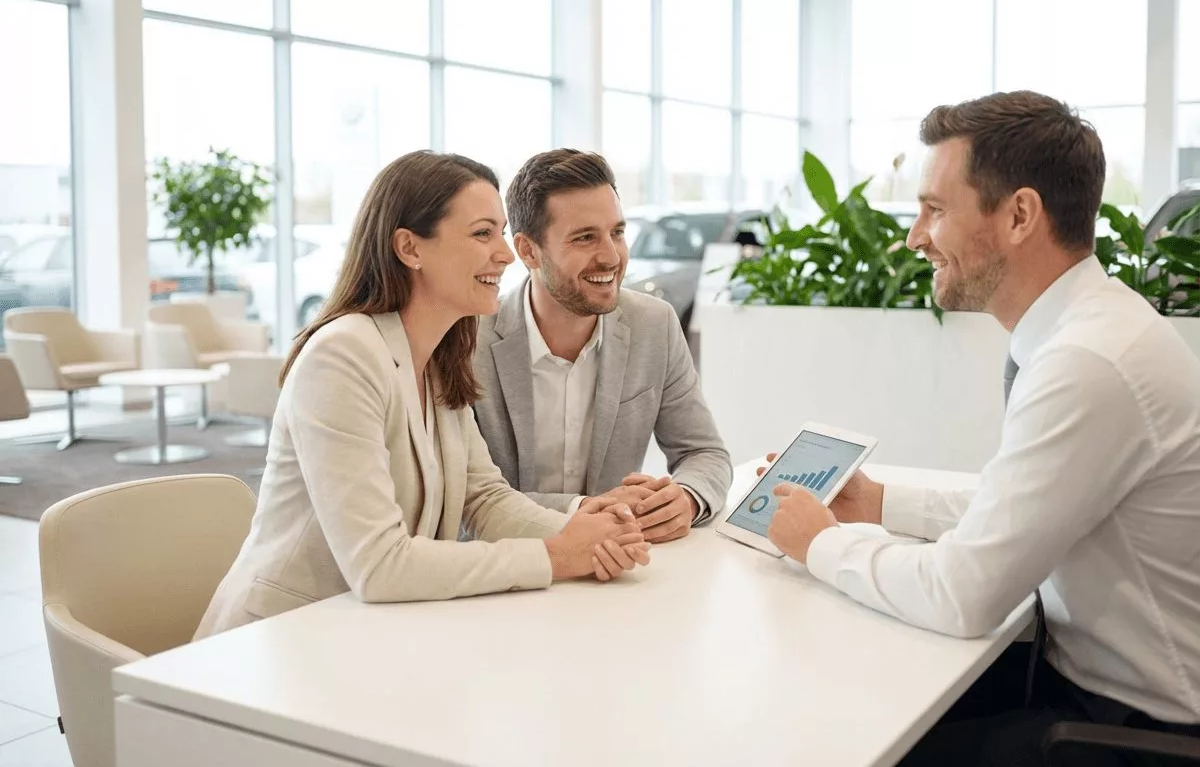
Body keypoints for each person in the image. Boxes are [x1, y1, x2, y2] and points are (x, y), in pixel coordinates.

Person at [762, 91, 1200, 765]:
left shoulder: (1089, 362)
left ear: (1020, 215)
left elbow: (961, 595)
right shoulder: (1089, 329)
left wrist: (821, 543)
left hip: (1137, 731)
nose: (915, 237)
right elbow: (1023, 502)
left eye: (935, 210)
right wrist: (877, 502)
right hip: (1091, 688)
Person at [196, 152, 650, 640]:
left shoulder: (437, 357)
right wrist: (556, 555)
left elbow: (485, 498)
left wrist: (584, 527)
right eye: (482, 234)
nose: (505, 254)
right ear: (410, 247)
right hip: (276, 641)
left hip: (369, 633)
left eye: (501, 232)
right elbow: (379, 564)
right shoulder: (341, 356)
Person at [472, 149, 732, 545]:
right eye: (585, 238)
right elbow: (465, 498)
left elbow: (704, 453)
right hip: (509, 563)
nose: (611, 257)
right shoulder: (469, 341)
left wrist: (687, 498)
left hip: (617, 565)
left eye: (617, 233)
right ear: (527, 251)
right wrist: (583, 509)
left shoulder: (653, 325)